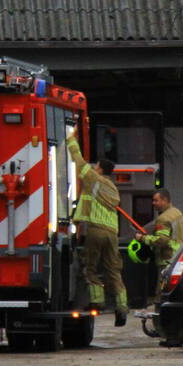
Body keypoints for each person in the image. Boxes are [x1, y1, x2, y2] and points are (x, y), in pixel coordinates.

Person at [67, 126, 128, 326]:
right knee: (113, 270)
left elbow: (78, 161)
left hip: (95, 231)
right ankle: (122, 307)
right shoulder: (112, 187)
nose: (93, 167)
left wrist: (71, 139)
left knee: (91, 268)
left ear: (100, 169)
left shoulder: (94, 180)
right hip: (112, 233)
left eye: (96, 166)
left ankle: (97, 302)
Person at [135, 188, 183, 305]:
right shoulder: (177, 213)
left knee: (161, 292)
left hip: (166, 260)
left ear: (165, 200)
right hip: (179, 257)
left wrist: (143, 238)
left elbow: (162, 240)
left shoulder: (163, 219)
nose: (153, 203)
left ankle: (159, 318)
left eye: (156, 200)